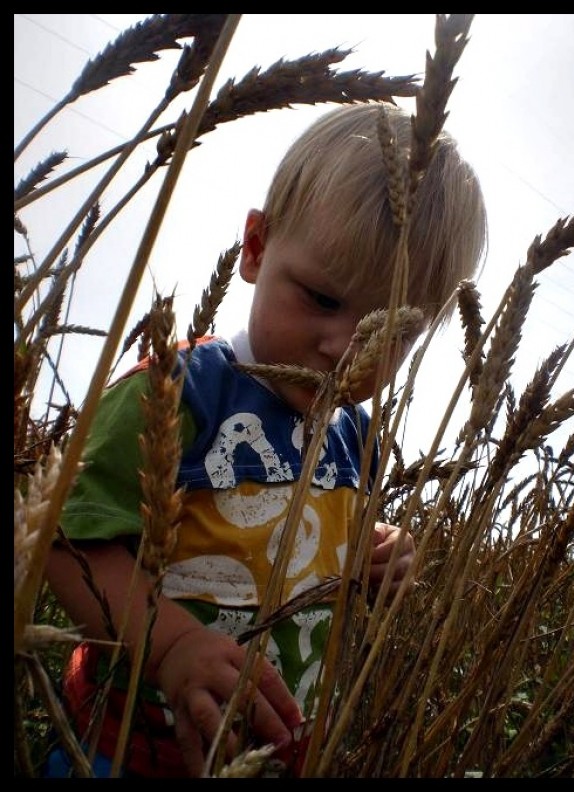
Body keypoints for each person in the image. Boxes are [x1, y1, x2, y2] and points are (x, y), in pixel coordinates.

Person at [44, 101, 488, 778]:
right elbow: (64, 536)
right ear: (255, 248)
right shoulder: (177, 393)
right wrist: (168, 648)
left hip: (273, 755)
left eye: (393, 331)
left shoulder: (356, 442)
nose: (346, 347)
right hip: (121, 747)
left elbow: (333, 551)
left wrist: (383, 557)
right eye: (321, 299)